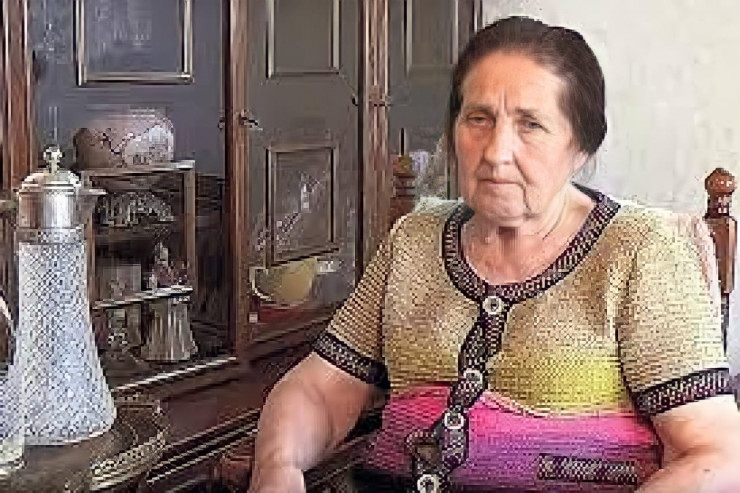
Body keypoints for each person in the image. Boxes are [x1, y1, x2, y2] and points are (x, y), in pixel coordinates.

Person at [248, 16, 740, 493]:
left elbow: (715, 455)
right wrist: (277, 468)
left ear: (581, 147)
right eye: (478, 119)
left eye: (531, 125)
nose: (496, 151)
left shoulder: (643, 250)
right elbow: (320, 389)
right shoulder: (414, 239)